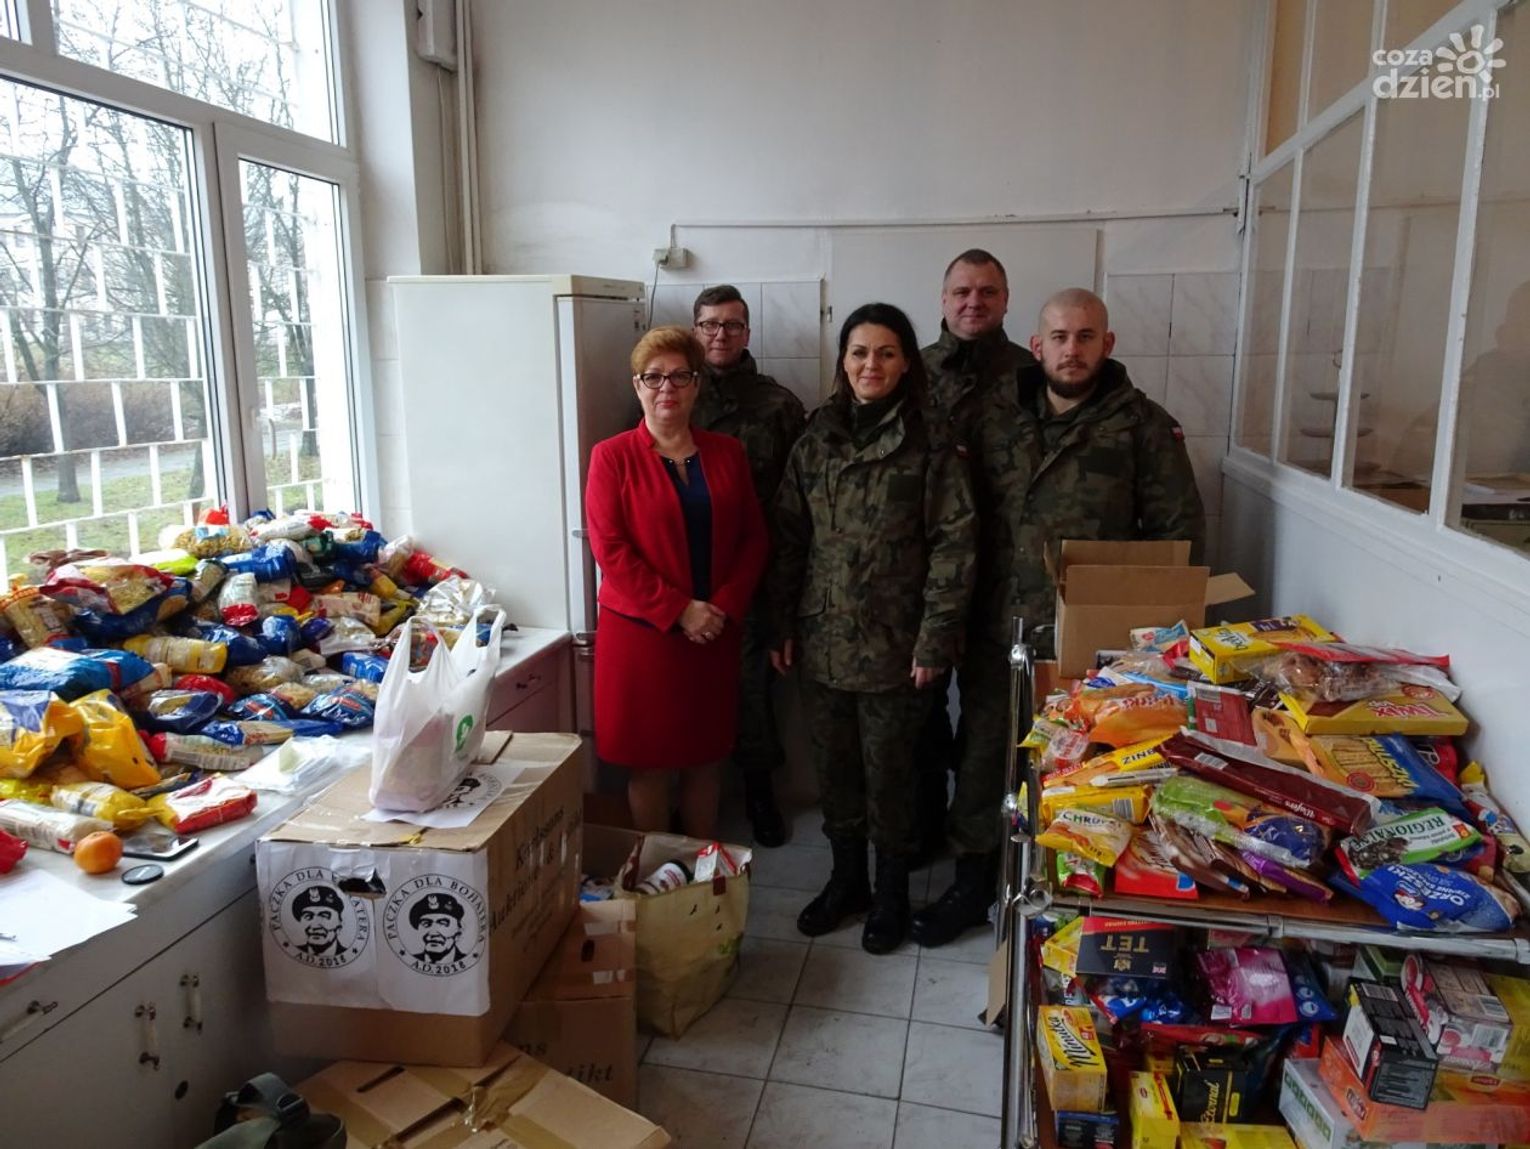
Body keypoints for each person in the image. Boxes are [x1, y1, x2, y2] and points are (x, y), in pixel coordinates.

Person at [912, 287, 1204, 949]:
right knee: (984, 756)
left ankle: (1072, 894)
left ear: (1108, 343)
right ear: (1037, 345)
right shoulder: (995, 416)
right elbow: (956, 518)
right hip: (997, 625)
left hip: (1093, 642)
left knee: (1083, 770)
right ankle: (974, 880)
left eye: (1086, 337)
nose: (1072, 350)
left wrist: (1151, 650)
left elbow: (1177, 542)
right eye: (1060, 338)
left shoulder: (1143, 427)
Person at [769, 302, 976, 954]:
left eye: (886, 353)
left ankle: (890, 893)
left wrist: (936, 638)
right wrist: (780, 622)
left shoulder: (931, 442)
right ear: (843, 361)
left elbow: (954, 546)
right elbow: (789, 536)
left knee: (893, 776)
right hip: (823, 638)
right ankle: (847, 881)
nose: (871, 365)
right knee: (836, 772)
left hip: (897, 645)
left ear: (906, 362)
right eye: (859, 352)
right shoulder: (817, 436)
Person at [587, 326, 769, 839]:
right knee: (650, 764)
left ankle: (698, 868)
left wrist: (722, 607)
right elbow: (610, 550)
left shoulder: (727, 453)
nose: (667, 387)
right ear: (637, 386)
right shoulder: (611, 456)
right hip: (645, 638)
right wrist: (679, 610)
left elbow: (754, 538)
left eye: (680, 376)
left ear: (696, 385)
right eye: (654, 377)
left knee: (706, 759)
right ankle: (655, 871)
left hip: (713, 632)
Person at [912, 250, 1038, 864]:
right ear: (943, 299)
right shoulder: (912, 371)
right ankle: (920, 832)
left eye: (988, 291)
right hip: (922, 581)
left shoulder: (1031, 375)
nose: (974, 302)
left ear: (1006, 300)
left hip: (1003, 582)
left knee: (990, 728)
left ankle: (975, 856)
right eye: (962, 291)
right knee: (917, 722)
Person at [690, 285, 807, 847]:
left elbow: (796, 501)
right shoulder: (674, 393)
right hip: (686, 571)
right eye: (710, 324)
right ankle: (691, 804)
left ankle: (760, 793)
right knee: (688, 693)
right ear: (695, 331)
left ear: (747, 333)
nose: (721, 335)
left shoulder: (778, 405)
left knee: (753, 693)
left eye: (732, 325)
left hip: (755, 573)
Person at [409, 893, 467, 964]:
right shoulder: (409, 961)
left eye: (443, 924)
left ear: (458, 934)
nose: (433, 933)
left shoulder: (469, 961)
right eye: (426, 924)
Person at [293, 885, 345, 958]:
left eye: (324, 916)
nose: (315, 926)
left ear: (339, 927)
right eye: (308, 916)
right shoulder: (291, 952)